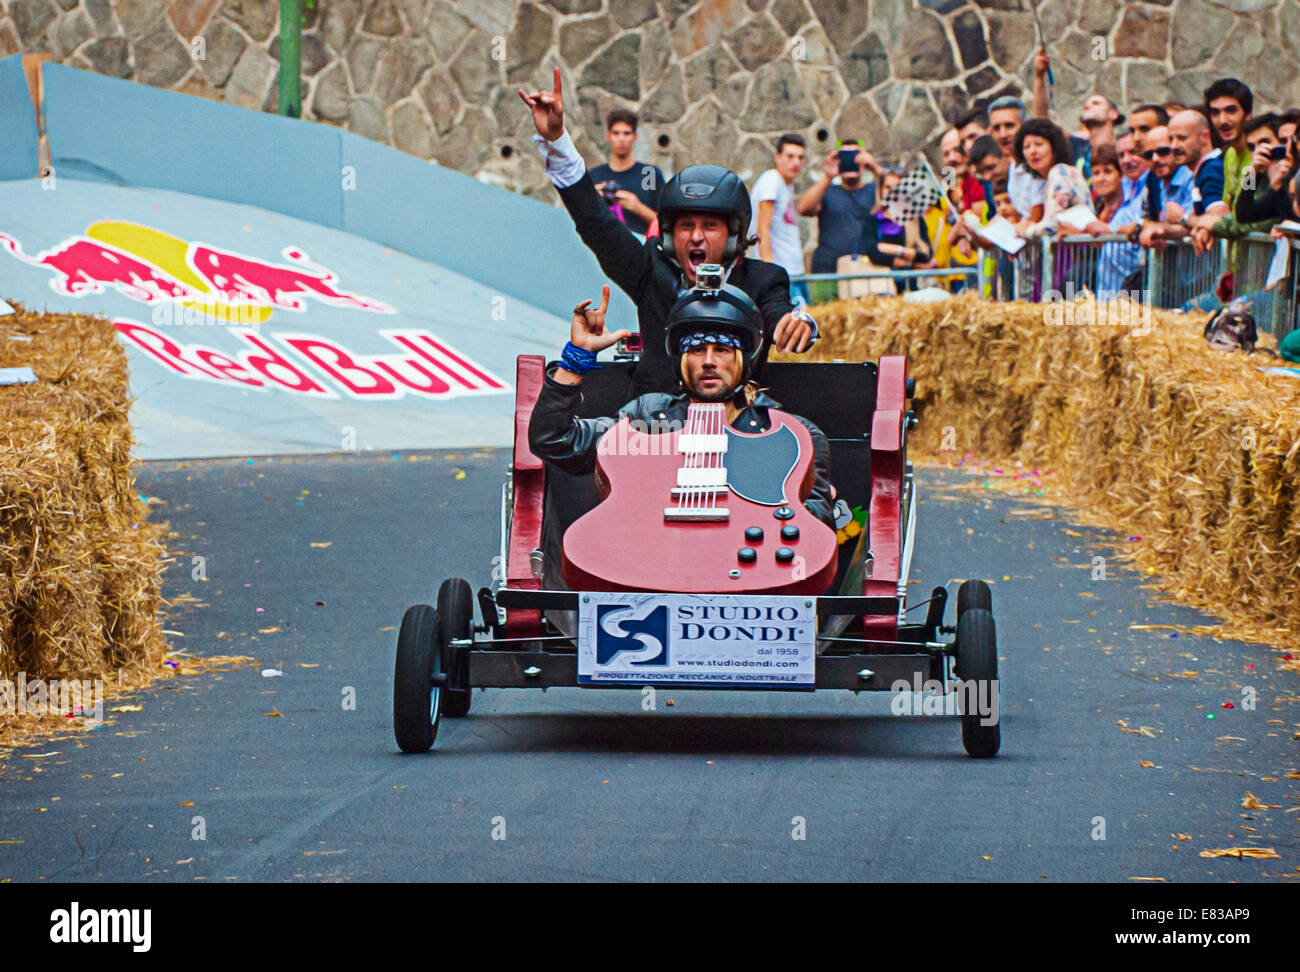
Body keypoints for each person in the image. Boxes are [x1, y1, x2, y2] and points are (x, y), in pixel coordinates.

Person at [519, 69, 816, 396]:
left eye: (710, 226)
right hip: (654, 429)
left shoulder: (764, 279)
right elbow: (596, 224)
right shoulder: (649, 270)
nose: (696, 237)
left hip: (737, 430)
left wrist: (796, 324)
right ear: (670, 235)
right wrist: (557, 141)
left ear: (734, 236)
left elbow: (778, 314)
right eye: (686, 225)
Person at [528, 282, 834, 529]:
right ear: (682, 361)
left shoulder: (794, 436)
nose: (710, 361)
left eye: (723, 350)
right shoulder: (648, 420)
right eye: (698, 349)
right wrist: (576, 359)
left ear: (745, 360)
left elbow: (815, 528)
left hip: (754, 581)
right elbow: (554, 440)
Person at [796, 137, 882, 303]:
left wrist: (875, 168)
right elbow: (803, 208)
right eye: (845, 156)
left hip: (866, 272)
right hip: (827, 272)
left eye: (856, 155)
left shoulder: (874, 191)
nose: (850, 161)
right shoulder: (827, 191)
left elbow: (900, 200)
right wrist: (828, 176)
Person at [751, 134, 810, 305]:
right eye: (790, 156)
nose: (796, 162)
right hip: (781, 274)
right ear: (777, 157)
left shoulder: (785, 185)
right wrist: (770, 274)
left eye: (800, 157)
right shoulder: (771, 180)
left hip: (794, 271)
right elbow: (762, 229)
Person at [587, 109, 664, 238]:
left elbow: (666, 223)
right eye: (616, 133)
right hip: (602, 248)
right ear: (608, 136)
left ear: (634, 137)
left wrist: (637, 207)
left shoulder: (649, 174)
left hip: (643, 249)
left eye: (626, 133)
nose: (621, 139)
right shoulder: (594, 175)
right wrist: (593, 199)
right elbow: (581, 220)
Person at [1012, 118, 1092, 238]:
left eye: (1039, 144)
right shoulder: (1047, 179)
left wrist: (1025, 231)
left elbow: (1052, 225)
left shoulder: (1059, 172)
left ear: (1054, 147)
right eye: (1027, 147)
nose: (1033, 151)